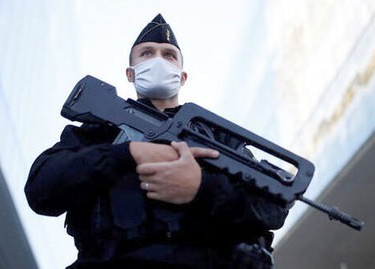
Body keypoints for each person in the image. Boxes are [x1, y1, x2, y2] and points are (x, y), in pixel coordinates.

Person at [25, 14, 289, 269]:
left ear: (182, 76)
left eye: (169, 55)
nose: (158, 60)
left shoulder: (216, 137)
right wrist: (125, 154)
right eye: (147, 53)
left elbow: (272, 206)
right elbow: (41, 189)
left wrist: (201, 187)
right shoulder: (96, 131)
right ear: (131, 73)